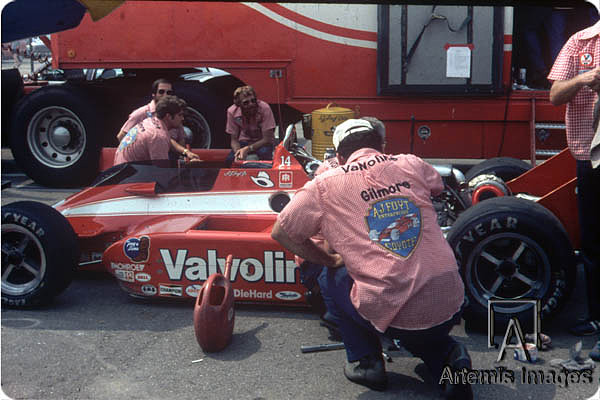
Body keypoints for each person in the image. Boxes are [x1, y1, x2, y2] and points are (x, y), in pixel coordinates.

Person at [271, 119, 472, 399]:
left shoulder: (324, 184)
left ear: (339, 156)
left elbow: (281, 231)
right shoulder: (409, 163)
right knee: (420, 326)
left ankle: (367, 363)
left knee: (333, 275)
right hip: (451, 299)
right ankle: (448, 358)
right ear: (382, 146)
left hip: (394, 308)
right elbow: (436, 187)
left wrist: (329, 260)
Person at [548, 19, 600, 359]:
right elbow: (554, 96)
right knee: (594, 242)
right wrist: (583, 78)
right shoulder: (581, 41)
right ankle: (596, 318)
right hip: (591, 157)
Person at [116, 78, 199, 162]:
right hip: (135, 167)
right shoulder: (156, 132)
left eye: (169, 92)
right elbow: (162, 171)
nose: (165, 95)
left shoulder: (154, 122)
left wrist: (184, 153)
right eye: (161, 92)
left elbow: (172, 139)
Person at [114, 95, 190, 164]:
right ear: (168, 116)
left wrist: (185, 151)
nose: (182, 118)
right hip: (130, 176)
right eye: (180, 115)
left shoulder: (150, 121)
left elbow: (168, 140)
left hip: (121, 168)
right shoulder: (158, 136)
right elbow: (162, 173)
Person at [225, 86, 275, 165]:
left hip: (262, 142)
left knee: (264, 154)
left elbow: (268, 139)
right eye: (246, 103)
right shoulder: (232, 112)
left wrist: (248, 149)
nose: (251, 104)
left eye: (253, 100)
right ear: (239, 104)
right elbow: (234, 140)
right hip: (244, 141)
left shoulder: (264, 108)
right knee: (230, 160)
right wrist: (238, 152)